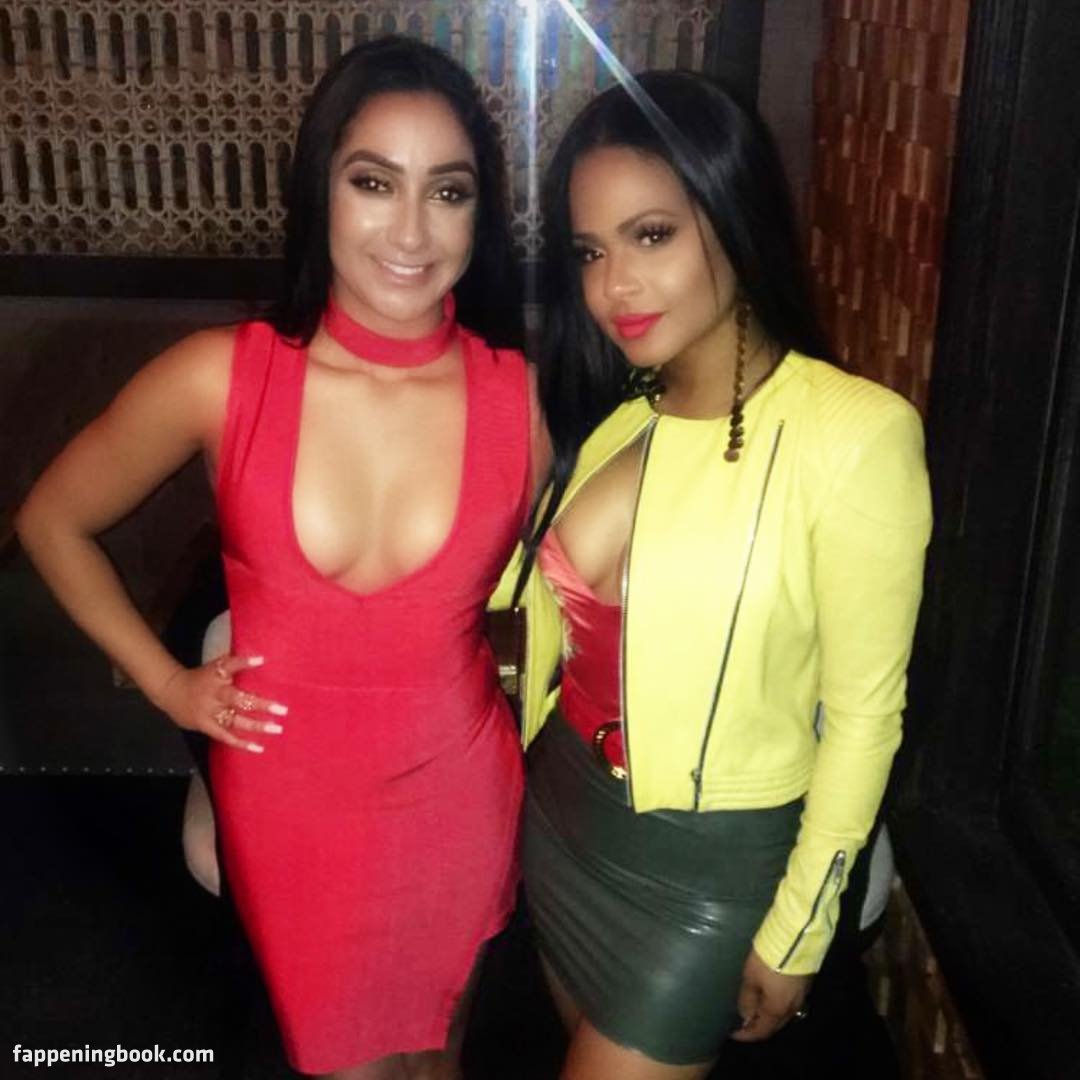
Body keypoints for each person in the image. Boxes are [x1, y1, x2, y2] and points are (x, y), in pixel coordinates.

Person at [16, 36, 546, 1080]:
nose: (410, 229)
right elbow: (50, 522)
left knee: (437, 1059)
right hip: (289, 805)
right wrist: (169, 683)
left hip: (459, 795)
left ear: (479, 216)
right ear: (319, 190)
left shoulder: (519, 399)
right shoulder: (220, 377)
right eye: (373, 182)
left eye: (448, 191)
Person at [503, 70, 932, 1079]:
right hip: (560, 823)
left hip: (707, 875)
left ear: (733, 218)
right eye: (591, 252)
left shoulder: (854, 435)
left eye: (651, 236)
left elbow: (865, 716)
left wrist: (799, 929)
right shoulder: (614, 418)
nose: (614, 286)